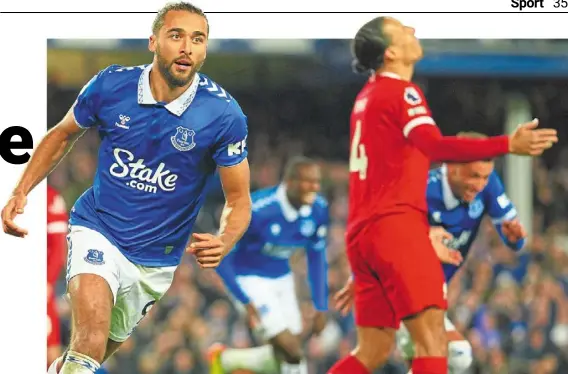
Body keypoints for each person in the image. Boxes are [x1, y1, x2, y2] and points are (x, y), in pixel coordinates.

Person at [1, 3, 253, 374]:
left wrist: (226, 238)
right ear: (153, 41)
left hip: (155, 262)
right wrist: (21, 189)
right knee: (89, 341)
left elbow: (239, 199)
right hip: (98, 229)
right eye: (176, 35)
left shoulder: (223, 115)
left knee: (85, 360)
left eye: (197, 39)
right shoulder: (111, 85)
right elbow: (62, 134)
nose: (187, 47)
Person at [328, 16, 558, 374]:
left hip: (362, 234)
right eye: (404, 31)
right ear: (390, 53)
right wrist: (506, 144)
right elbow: (433, 145)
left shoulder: (365, 98)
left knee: (372, 350)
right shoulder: (401, 91)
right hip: (397, 226)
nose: (414, 32)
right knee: (433, 342)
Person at [335, 131, 528, 374]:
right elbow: (380, 235)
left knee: (387, 355)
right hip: (403, 287)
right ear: (452, 166)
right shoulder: (417, 190)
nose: (480, 185)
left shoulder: (488, 184)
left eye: (485, 177)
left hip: (433, 289)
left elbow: (512, 232)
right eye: (473, 176)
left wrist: (514, 239)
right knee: (451, 354)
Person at [208, 157, 329, 374]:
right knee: (291, 349)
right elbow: (218, 254)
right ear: (290, 182)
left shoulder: (318, 209)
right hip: (249, 280)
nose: (314, 188)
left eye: (316, 182)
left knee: (290, 352)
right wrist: (243, 299)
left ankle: (227, 360)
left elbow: (316, 257)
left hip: (283, 278)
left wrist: (321, 304)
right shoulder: (257, 209)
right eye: (307, 182)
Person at [47, 185, 69, 369]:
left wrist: (47, 282)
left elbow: (58, 249)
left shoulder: (51, 198)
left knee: (50, 351)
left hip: (42, 290)